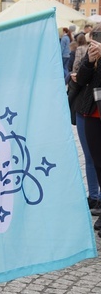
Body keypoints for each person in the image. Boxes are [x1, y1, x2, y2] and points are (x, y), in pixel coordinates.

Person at [76, 23, 101, 236]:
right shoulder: (91, 53)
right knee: (97, 162)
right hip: (92, 113)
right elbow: (82, 79)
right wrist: (90, 61)